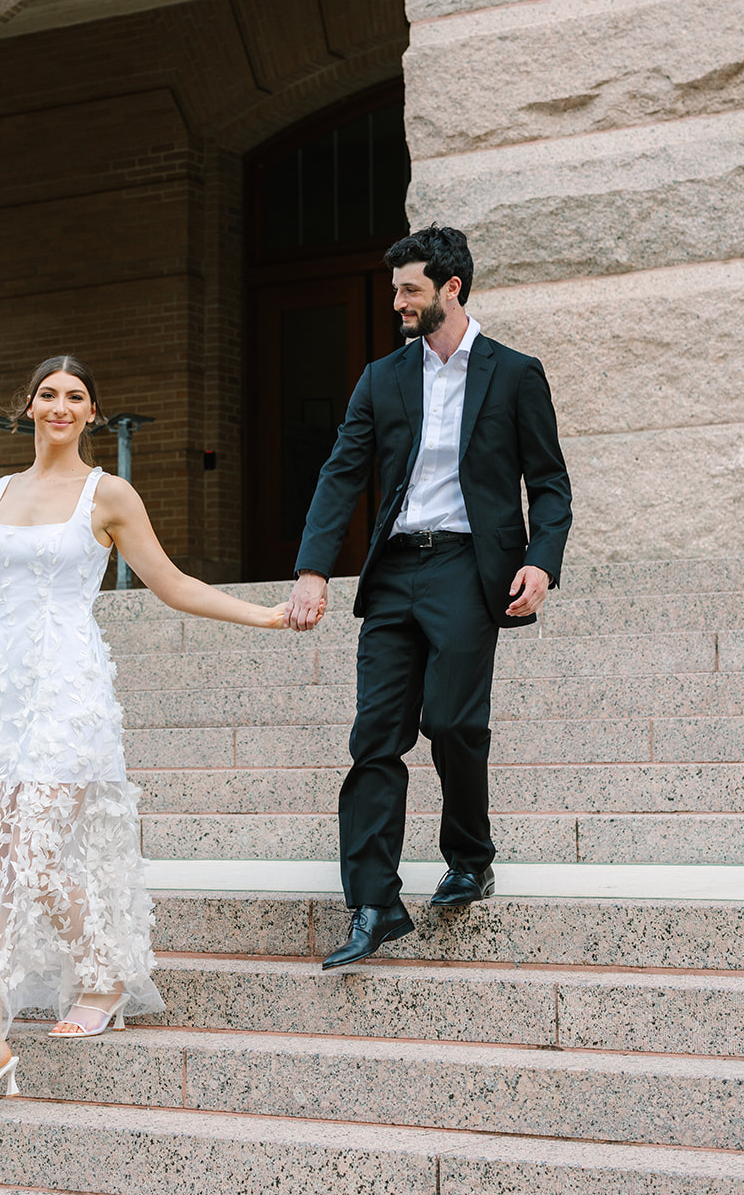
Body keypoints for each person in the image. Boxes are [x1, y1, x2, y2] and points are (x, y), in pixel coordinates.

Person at [0, 354, 288, 1117]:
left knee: (34, 856)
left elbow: (170, 583)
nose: (59, 406)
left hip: (68, 693)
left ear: (92, 413)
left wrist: (262, 616)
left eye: (74, 397)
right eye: (47, 395)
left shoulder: (109, 494)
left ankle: (101, 974)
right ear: (26, 407)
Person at [285, 226, 572, 969]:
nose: (397, 303)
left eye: (409, 289)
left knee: (450, 722)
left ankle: (469, 856)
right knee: (374, 735)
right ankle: (373, 902)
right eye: (394, 290)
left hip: (467, 569)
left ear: (450, 288)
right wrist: (314, 568)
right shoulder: (381, 378)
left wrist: (541, 564)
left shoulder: (513, 374)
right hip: (393, 573)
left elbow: (548, 484)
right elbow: (341, 473)